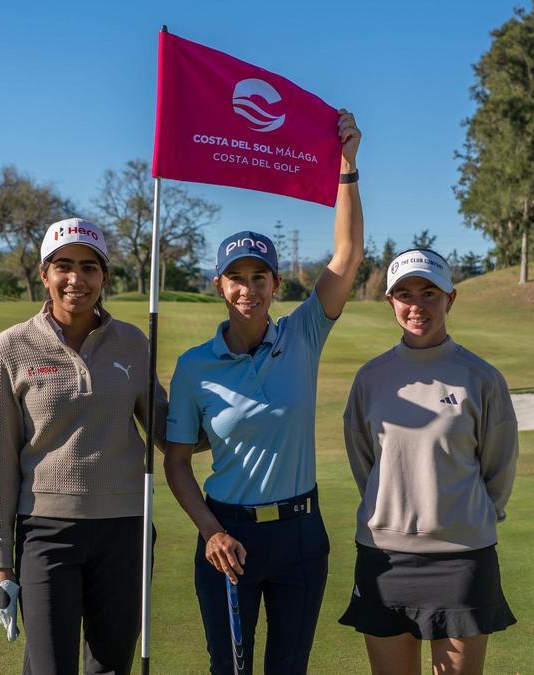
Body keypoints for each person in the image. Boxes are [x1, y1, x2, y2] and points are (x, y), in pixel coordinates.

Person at [162, 110, 363, 674]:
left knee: (288, 669)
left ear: (277, 284)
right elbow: (177, 462)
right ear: (219, 285)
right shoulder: (194, 367)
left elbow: (346, 258)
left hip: (301, 534)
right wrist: (211, 532)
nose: (247, 289)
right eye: (236, 278)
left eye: (259, 277)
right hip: (229, 535)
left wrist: (347, 168)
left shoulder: (303, 335)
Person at [0, 218, 165, 674]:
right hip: (45, 533)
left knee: (110, 667)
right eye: (63, 266)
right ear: (44, 274)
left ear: (104, 277)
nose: (76, 279)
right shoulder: (11, 348)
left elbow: (168, 427)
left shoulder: (133, 342)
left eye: (89, 267)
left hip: (126, 530)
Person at [338, 249, 519, 675]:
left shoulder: (481, 377)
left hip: (462, 558)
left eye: (429, 293)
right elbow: (365, 464)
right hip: (385, 558)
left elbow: (498, 469)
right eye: (405, 294)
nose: (417, 306)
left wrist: (462, 520)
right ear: (391, 302)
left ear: (450, 299)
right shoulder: (370, 377)